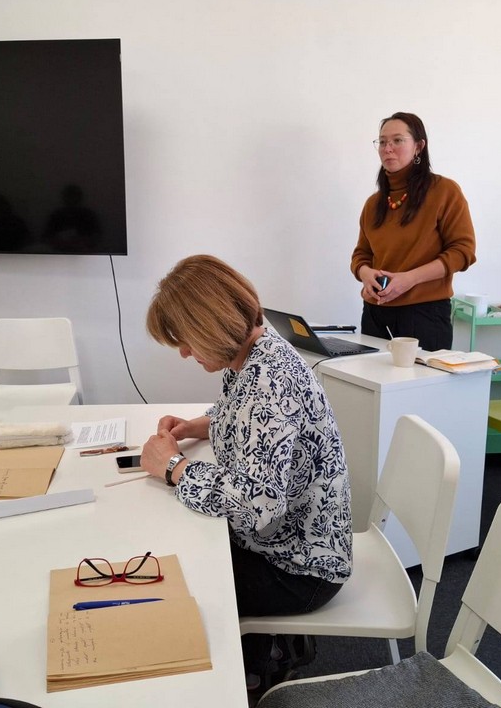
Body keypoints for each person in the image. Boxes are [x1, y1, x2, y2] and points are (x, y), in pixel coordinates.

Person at [140, 254, 352, 692]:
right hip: (287, 542)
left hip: (300, 569)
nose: (184, 352)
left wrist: (173, 467)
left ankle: (244, 677)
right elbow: (242, 418)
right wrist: (197, 426)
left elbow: (255, 509)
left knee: (180, 582)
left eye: (186, 340)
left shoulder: (269, 382)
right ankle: (258, 656)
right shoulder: (255, 353)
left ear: (212, 327)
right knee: (178, 552)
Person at [351, 112, 476, 350]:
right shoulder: (374, 203)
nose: (388, 148)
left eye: (397, 140)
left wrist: (409, 279)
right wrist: (365, 273)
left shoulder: (444, 191)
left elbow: (463, 252)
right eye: (382, 142)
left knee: (420, 376)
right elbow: (361, 255)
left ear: (419, 146)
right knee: (369, 375)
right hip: (375, 313)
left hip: (425, 316)